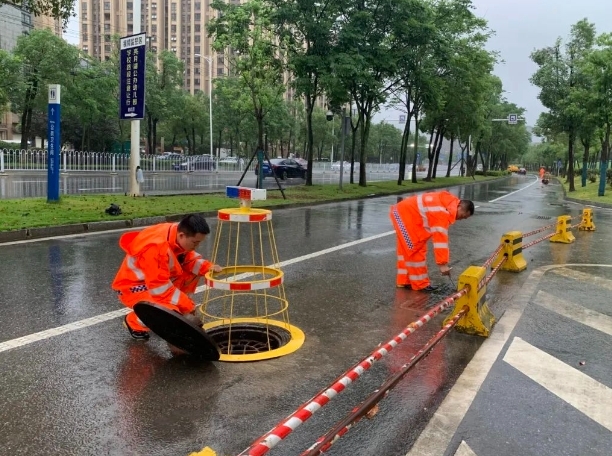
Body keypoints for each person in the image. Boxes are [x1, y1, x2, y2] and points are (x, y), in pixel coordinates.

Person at [112, 214, 223, 340]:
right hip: (133, 287)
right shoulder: (156, 248)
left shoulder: (175, 233)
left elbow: (187, 260)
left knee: (188, 278)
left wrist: (208, 267)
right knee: (167, 312)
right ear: (182, 235)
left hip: (155, 281)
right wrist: (188, 306)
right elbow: (160, 290)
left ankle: (179, 310)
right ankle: (134, 321)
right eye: (195, 242)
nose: (197, 246)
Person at [390, 191, 474, 291]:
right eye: (463, 215)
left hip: (402, 213)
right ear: (459, 206)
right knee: (415, 250)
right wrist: (443, 265)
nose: (461, 219)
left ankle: (403, 281)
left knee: (406, 250)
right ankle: (421, 285)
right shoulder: (442, 211)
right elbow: (440, 241)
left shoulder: (446, 202)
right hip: (405, 216)